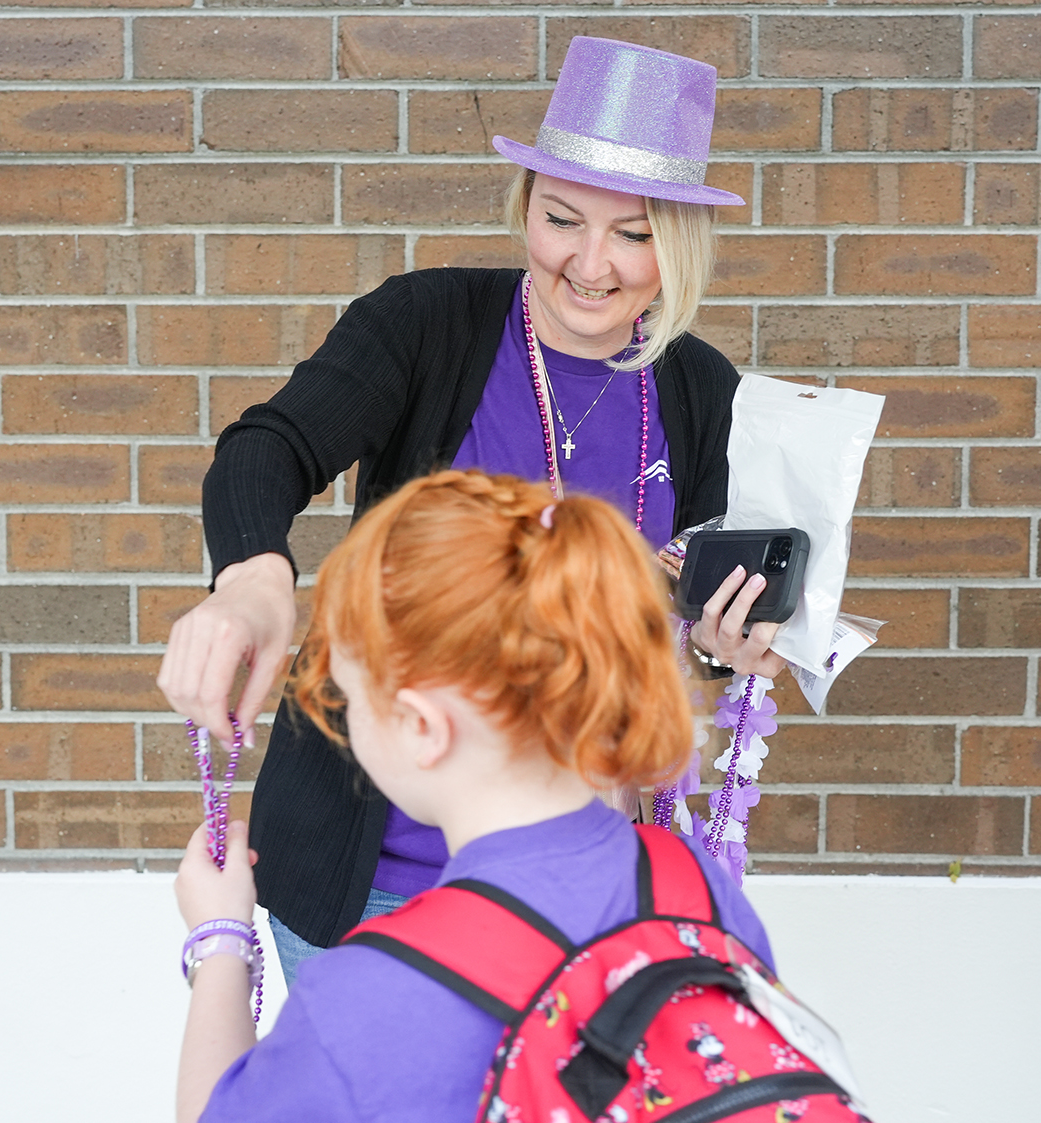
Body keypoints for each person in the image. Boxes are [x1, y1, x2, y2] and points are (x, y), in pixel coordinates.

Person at [157, 36, 789, 979]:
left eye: (634, 233)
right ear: (524, 206)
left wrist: (720, 644)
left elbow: (681, 612)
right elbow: (268, 447)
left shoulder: (698, 389)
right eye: (562, 219)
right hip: (367, 874)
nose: (590, 263)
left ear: (680, 242)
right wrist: (252, 584)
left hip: (573, 883)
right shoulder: (424, 325)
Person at [172, 471, 785, 1122]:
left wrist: (221, 936)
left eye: (345, 692)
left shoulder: (368, 990)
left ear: (421, 728)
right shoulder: (693, 878)